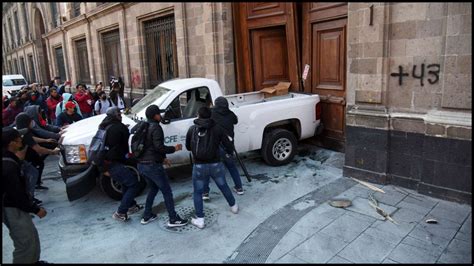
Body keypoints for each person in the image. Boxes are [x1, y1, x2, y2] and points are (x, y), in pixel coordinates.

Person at [185, 107, 238, 229]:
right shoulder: (217, 129)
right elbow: (228, 145)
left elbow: (188, 147)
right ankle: (233, 206)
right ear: (210, 116)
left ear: (198, 115)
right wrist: (229, 153)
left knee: (198, 192)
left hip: (198, 166)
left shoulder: (192, 129)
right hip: (215, 164)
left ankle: (200, 219)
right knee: (223, 185)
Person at [135, 105, 188, 226]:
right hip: (152, 166)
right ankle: (173, 219)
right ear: (155, 116)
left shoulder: (144, 126)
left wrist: (163, 158)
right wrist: (174, 148)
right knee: (167, 191)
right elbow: (159, 147)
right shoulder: (156, 127)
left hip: (142, 165)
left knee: (153, 189)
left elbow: (150, 147)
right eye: (159, 114)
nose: (161, 116)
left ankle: (147, 215)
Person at [2, 127, 48, 264]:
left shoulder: (9, 158)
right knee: (25, 241)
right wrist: (35, 209)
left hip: (15, 206)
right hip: (12, 208)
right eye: (18, 139)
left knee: (31, 237)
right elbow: (17, 194)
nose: (22, 140)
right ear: (11, 143)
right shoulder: (8, 166)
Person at [99, 107, 143, 222]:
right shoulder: (119, 127)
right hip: (113, 163)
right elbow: (127, 143)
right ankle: (120, 212)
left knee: (125, 183)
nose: (121, 115)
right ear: (115, 115)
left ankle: (131, 206)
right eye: (119, 113)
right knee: (134, 184)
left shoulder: (104, 126)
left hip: (105, 162)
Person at [202, 96, 243, 200]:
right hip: (228, 146)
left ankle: (205, 193)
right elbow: (236, 121)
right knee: (232, 167)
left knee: (207, 168)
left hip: (215, 146)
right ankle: (239, 188)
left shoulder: (211, 113)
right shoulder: (230, 114)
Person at [15, 113, 61, 191]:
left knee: (38, 165)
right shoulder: (24, 133)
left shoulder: (19, 131)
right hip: (22, 160)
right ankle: (31, 195)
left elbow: (32, 138)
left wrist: (45, 140)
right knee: (33, 174)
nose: (32, 122)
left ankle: (34, 188)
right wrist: (53, 152)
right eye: (30, 121)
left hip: (22, 158)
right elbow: (38, 149)